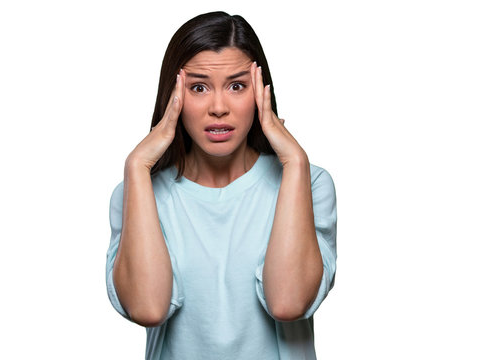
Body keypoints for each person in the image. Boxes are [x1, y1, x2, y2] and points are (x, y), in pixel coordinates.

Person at [105, 11, 337, 360]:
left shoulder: (309, 182)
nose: (218, 108)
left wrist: (294, 161)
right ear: (174, 96)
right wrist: (136, 166)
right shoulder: (137, 192)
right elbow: (148, 309)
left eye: (237, 86)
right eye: (198, 87)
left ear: (261, 93)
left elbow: (288, 302)